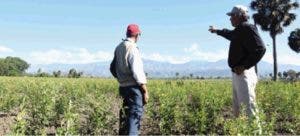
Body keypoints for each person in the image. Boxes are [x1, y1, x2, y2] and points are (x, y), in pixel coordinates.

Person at [209, 5, 266, 119]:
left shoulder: (247, 28)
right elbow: (230, 34)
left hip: (244, 73)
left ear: (240, 16)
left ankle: (254, 132)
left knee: (248, 107)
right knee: (239, 108)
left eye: (232, 16)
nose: (230, 18)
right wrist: (217, 31)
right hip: (238, 73)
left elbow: (260, 49)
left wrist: (244, 66)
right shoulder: (240, 30)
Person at [110, 24, 149, 135]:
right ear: (137, 35)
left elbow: (112, 68)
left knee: (125, 116)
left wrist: (121, 78)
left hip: (123, 88)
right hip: (134, 89)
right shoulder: (132, 48)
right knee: (134, 118)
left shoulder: (119, 47)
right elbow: (137, 72)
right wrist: (145, 91)